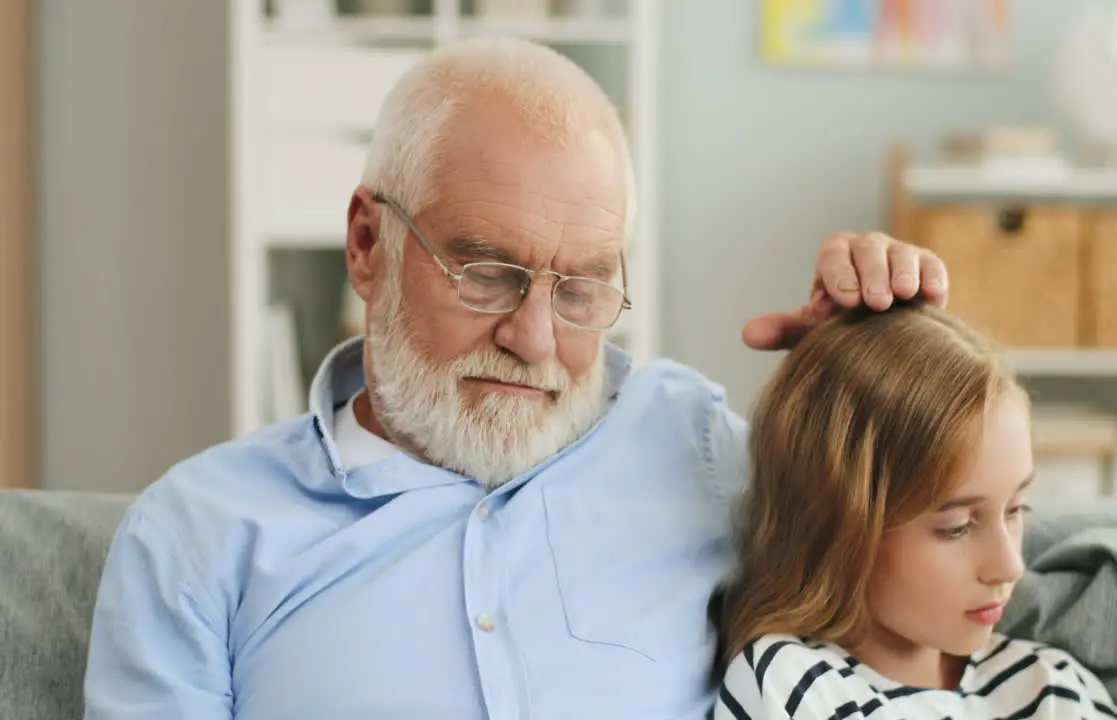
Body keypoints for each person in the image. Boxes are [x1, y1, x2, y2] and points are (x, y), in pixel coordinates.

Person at [81, 37, 948, 719]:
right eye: (486, 273)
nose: (534, 338)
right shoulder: (198, 535)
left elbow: (933, 583)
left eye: (581, 289)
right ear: (366, 244)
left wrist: (868, 372)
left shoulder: (692, 444)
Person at [711, 302, 1117, 720]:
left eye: (1015, 508)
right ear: (837, 525)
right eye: (957, 528)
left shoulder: (1050, 686)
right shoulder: (792, 685)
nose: (1008, 566)